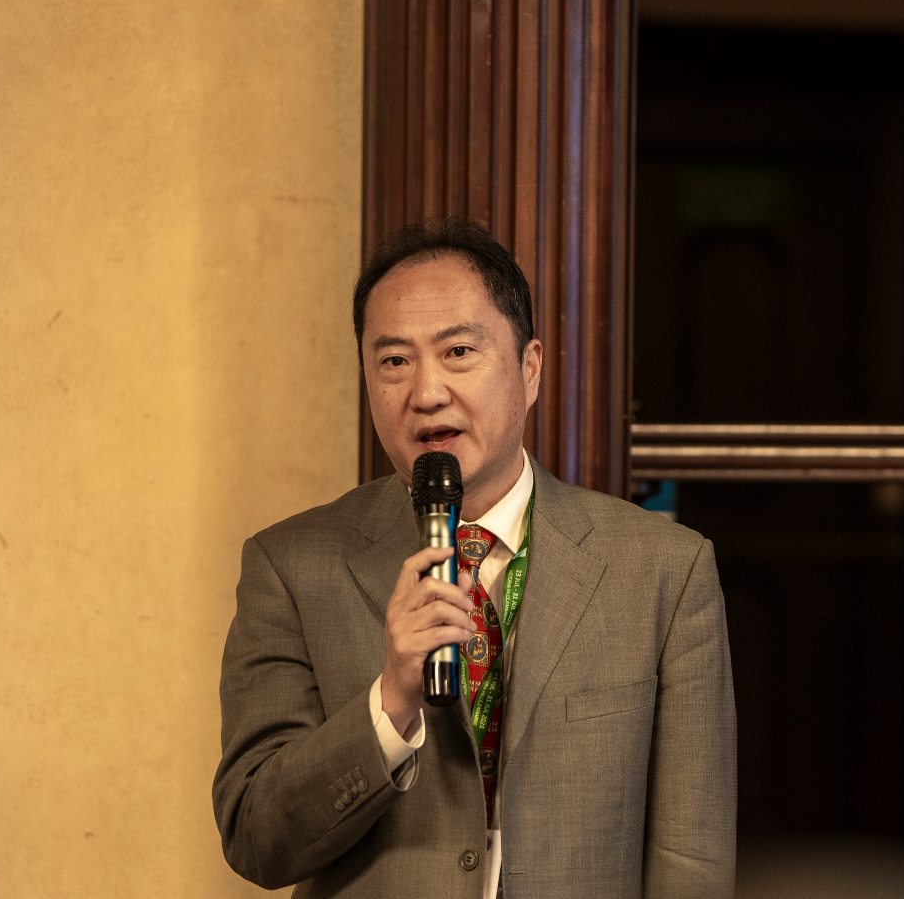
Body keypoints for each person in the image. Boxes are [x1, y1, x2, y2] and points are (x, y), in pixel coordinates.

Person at [213, 218, 736, 898]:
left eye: (458, 351)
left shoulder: (665, 571)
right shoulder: (290, 565)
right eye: (394, 361)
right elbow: (256, 838)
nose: (427, 392)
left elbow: (690, 856)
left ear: (530, 368)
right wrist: (390, 702)